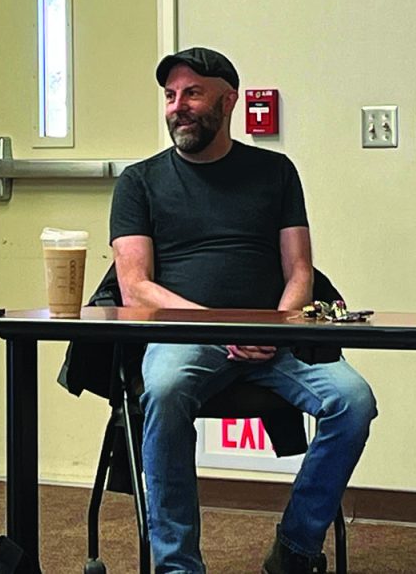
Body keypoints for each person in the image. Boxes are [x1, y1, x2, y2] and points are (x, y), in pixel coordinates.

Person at [110, 47, 377, 574]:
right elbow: (135, 287)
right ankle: (177, 565)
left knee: (354, 401)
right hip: (183, 335)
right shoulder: (139, 182)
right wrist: (220, 327)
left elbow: (300, 270)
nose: (177, 107)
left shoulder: (274, 171)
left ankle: (296, 549)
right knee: (162, 391)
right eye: (170, 96)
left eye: (192, 93)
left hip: (274, 335)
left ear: (228, 101)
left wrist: (273, 327)